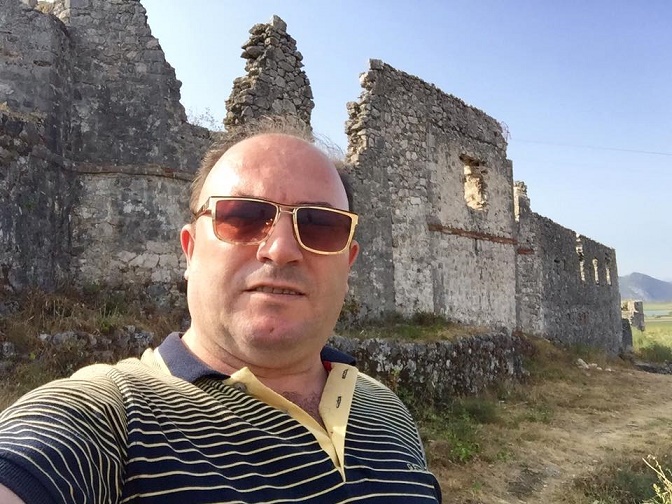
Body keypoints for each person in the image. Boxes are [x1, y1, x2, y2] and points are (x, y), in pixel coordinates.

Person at [0, 118, 442, 503]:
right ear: (190, 251)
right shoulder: (111, 417)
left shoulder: (386, 409)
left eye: (319, 225)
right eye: (243, 217)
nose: (280, 249)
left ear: (347, 264)